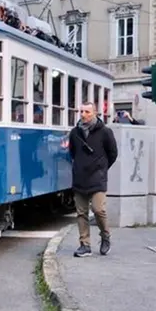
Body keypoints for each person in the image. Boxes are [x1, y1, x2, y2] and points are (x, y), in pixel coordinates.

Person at [68, 101, 118, 258]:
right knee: (81, 213)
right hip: (80, 178)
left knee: (98, 209)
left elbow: (113, 153)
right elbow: (72, 152)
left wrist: (102, 169)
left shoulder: (105, 132)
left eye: (87, 112)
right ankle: (85, 244)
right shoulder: (75, 133)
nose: (83, 114)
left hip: (97, 178)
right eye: (81, 111)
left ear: (95, 113)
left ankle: (105, 236)